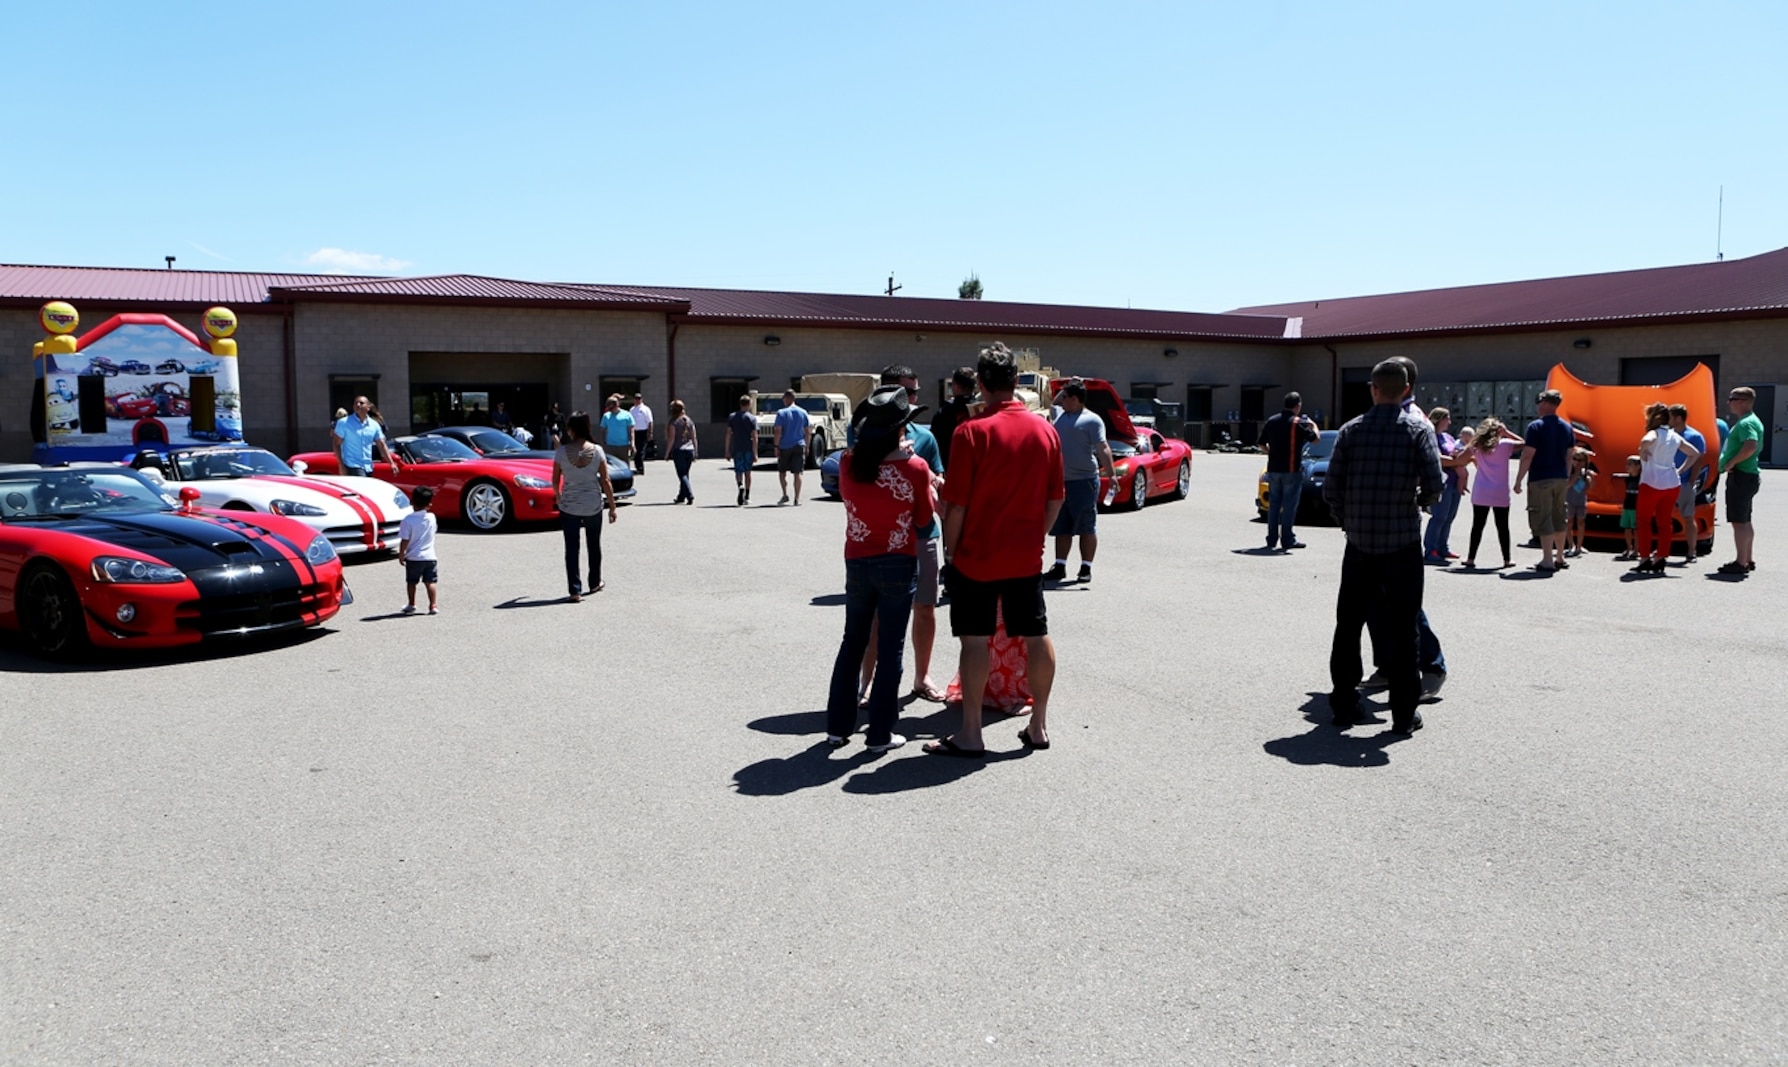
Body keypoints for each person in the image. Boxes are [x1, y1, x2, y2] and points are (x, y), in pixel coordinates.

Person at [927, 343, 1064, 757]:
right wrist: (1035, 535)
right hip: (1025, 555)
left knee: (975, 641)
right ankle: (1038, 725)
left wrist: (950, 553)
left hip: (976, 556)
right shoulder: (1046, 431)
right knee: (1035, 634)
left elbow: (956, 506)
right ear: (1016, 381)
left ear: (981, 384)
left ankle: (971, 732)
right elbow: (1055, 499)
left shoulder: (970, 433)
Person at [1323, 360, 1443, 737]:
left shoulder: (1350, 431)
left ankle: (1344, 706)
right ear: (1406, 390)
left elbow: (1331, 489)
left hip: (1359, 544)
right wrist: (1416, 504)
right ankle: (1403, 715)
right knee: (1405, 629)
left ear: (1373, 389)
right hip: (1402, 544)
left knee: (1348, 625)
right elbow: (1434, 484)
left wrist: (1349, 520)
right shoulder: (1419, 431)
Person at [824, 385, 935, 753]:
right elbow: (922, 521)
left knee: (852, 641)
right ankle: (880, 734)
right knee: (891, 647)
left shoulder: (847, 463)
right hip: (898, 561)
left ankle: (837, 727)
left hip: (857, 558)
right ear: (900, 430)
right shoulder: (915, 468)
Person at [855, 367, 948, 703]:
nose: (912, 399)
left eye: (915, 393)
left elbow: (938, 478)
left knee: (925, 608)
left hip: (923, 535)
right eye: (906, 393)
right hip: (886, 540)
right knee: (879, 613)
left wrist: (930, 476)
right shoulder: (866, 435)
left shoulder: (926, 437)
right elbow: (859, 480)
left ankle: (921, 678)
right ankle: (868, 680)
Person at [1047, 379, 1117, 582]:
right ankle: (1059, 566)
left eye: (1066, 397)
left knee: (1086, 525)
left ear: (1075, 399)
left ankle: (1086, 568)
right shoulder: (1060, 416)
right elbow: (1053, 403)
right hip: (1061, 481)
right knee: (1061, 526)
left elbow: (1103, 448)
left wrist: (1111, 475)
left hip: (1084, 481)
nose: (1062, 400)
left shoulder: (1092, 420)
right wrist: (1069, 385)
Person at [551, 411, 618, 600]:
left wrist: (558, 496)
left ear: (570, 429)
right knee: (594, 544)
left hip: (569, 505)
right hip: (593, 504)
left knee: (571, 547)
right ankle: (595, 582)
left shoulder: (561, 452)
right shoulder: (597, 450)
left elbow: (555, 480)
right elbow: (605, 480)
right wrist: (612, 507)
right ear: (587, 427)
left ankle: (575, 590)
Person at [1512, 388, 1577, 572]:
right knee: (1559, 516)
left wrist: (1518, 480)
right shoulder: (1567, 427)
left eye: (1540, 402)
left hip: (1541, 477)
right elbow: (1569, 455)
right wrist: (1564, 475)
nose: (1538, 406)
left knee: (1543, 516)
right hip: (1560, 478)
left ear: (1546, 403)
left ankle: (1547, 559)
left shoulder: (1536, 426)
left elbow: (1527, 455)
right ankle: (1560, 557)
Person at [1634, 402, 1696, 574]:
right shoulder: (1674, 435)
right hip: (1671, 483)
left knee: (1644, 521)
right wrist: (1681, 469)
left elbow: (1647, 440)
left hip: (1651, 482)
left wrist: (1642, 449)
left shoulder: (1654, 433)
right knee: (1664, 521)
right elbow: (1694, 453)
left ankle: (1645, 557)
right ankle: (1661, 556)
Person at [1257, 390, 1320, 552]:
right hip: (1292, 470)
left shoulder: (1272, 421)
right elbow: (1315, 440)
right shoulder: (1297, 423)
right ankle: (1287, 539)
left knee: (1274, 506)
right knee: (1289, 506)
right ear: (1297, 406)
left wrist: (1271, 453)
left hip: (1274, 470)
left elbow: (1261, 444)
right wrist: (1313, 425)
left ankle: (1271, 539)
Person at [1464, 417, 1524, 569]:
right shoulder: (1505, 445)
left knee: (1477, 526)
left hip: (1481, 491)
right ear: (1498, 431)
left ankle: (1471, 558)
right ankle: (1507, 559)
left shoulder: (1476, 446)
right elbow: (1523, 443)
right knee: (1503, 526)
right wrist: (1507, 432)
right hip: (1500, 491)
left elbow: (1460, 458)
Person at [1717, 386, 1764, 574]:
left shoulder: (1746, 423)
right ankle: (1747, 559)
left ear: (1743, 401)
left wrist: (1731, 463)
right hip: (1747, 475)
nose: (1729, 402)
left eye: (1732, 398)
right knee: (1745, 519)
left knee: (1739, 521)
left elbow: (1750, 445)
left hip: (1741, 475)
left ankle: (1740, 562)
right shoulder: (1749, 421)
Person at [1422, 408, 1466, 563]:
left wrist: (1458, 458)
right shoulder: (1430, 436)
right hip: (1441, 482)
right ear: (1439, 419)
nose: (1450, 422)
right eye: (1447, 418)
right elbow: (1436, 457)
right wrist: (1455, 461)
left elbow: (1456, 452)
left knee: (1449, 517)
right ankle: (1430, 549)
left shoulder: (1448, 437)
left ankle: (1443, 547)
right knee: (1439, 517)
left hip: (1455, 480)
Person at [1669, 404, 1708, 564]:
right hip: (1667, 482)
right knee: (1664, 516)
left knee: (1688, 516)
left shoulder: (1694, 436)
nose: (1668, 420)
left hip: (1684, 482)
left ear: (1678, 418)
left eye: (1670, 416)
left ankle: (1692, 551)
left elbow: (1699, 460)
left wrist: (1691, 481)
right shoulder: (1668, 435)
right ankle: (1662, 549)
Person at [397, 486, 439, 616]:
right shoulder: (431, 517)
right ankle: (433, 605)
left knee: (411, 582)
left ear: (411, 502)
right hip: (430, 556)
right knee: (430, 582)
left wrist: (401, 553)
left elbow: (405, 539)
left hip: (414, 557)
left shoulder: (407, 520)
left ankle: (412, 604)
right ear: (430, 504)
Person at [333, 395, 398, 478]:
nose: (358, 405)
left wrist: (391, 463)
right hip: (352, 466)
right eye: (356, 403)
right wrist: (341, 465)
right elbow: (336, 444)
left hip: (368, 467)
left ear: (368, 407)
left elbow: (381, 445)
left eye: (361, 403)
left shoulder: (374, 425)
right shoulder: (344, 423)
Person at [930, 366, 977, 470]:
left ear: (956, 386)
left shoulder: (943, 413)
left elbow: (934, 445)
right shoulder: (982, 410)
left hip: (950, 467)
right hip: (978, 468)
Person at [773, 390, 811, 505]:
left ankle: (785, 494)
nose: (783, 400)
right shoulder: (803, 412)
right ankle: (797, 498)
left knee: (782, 471)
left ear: (788, 398)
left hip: (785, 445)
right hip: (799, 445)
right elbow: (807, 431)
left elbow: (778, 431)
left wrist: (776, 446)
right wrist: (807, 446)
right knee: (798, 472)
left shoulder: (781, 413)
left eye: (784, 398)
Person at [1564, 447, 1596, 557]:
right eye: (1575, 459)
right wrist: (1576, 474)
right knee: (1569, 523)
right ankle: (1570, 545)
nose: (1576, 462)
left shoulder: (1585, 473)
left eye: (1580, 460)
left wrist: (1590, 478)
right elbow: (1568, 485)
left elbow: (1590, 487)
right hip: (1569, 501)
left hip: (1581, 501)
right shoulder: (1569, 471)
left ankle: (1579, 546)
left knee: (1581, 523)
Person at [727, 393, 758, 506]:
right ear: (749, 404)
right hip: (748, 447)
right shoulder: (752, 418)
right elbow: (754, 436)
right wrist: (755, 452)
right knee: (748, 472)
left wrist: (727, 450)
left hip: (737, 447)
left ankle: (740, 485)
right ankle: (747, 495)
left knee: (738, 470)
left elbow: (728, 434)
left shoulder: (732, 417)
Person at [666, 399, 698, 504]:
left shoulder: (674, 423)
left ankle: (690, 495)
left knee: (682, 474)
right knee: (685, 474)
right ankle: (681, 496)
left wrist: (667, 453)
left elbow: (671, 439)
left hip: (679, 451)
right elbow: (694, 437)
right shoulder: (689, 421)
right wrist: (696, 451)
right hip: (689, 450)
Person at [1615, 455, 1642, 561]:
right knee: (1627, 528)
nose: (1627, 466)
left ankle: (1637, 550)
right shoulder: (1628, 479)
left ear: (1638, 466)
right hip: (1627, 506)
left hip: (1636, 507)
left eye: (1630, 464)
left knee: (1636, 529)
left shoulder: (1642, 479)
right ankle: (1628, 547)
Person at [600, 395, 635, 469]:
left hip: (623, 445)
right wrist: (603, 442)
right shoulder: (606, 416)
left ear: (616, 405)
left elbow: (631, 431)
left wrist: (632, 444)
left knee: (625, 466)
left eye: (611, 407)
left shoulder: (627, 415)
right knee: (611, 467)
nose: (610, 409)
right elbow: (602, 430)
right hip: (610, 446)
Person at [631, 393, 654, 475]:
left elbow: (650, 422)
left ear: (641, 399)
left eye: (639, 398)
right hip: (634, 432)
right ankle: (637, 467)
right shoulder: (632, 409)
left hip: (643, 432)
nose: (637, 400)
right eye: (636, 398)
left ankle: (641, 468)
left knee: (640, 451)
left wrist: (650, 433)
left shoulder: (645, 409)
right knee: (635, 451)